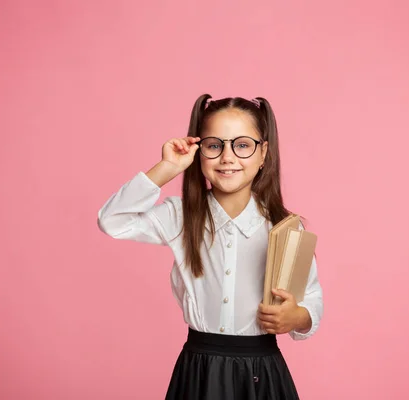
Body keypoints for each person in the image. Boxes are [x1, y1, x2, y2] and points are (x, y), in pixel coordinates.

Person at [97, 94, 324, 399]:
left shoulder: (285, 228)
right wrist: (167, 167)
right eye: (215, 145)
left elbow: (311, 297)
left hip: (262, 374)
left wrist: (297, 317)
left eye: (242, 145)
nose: (227, 157)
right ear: (199, 150)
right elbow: (112, 220)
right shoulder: (180, 216)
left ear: (263, 154)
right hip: (199, 372)